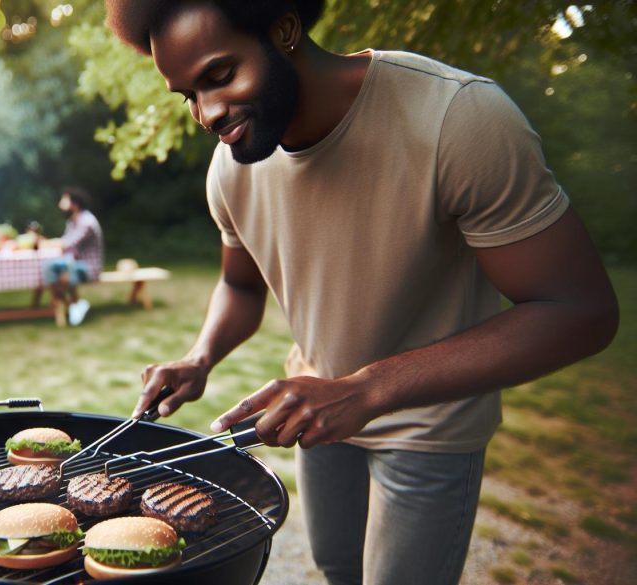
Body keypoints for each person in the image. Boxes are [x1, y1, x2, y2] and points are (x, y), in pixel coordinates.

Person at [107, 2, 619, 584]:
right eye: (188, 95)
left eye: (220, 76)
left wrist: (367, 388)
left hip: (428, 425)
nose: (207, 113)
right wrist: (200, 357)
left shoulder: (457, 117)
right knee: (337, 569)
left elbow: (579, 311)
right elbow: (239, 283)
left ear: (285, 29)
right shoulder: (231, 169)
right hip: (318, 417)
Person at [42, 187, 104, 326]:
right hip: (73, 263)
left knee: (61, 271)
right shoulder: (72, 221)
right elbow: (65, 243)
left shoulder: (87, 221)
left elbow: (68, 243)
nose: (61, 203)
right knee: (49, 266)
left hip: (89, 266)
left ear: (74, 203)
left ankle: (68, 304)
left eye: (64, 199)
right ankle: (74, 304)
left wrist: (46, 243)